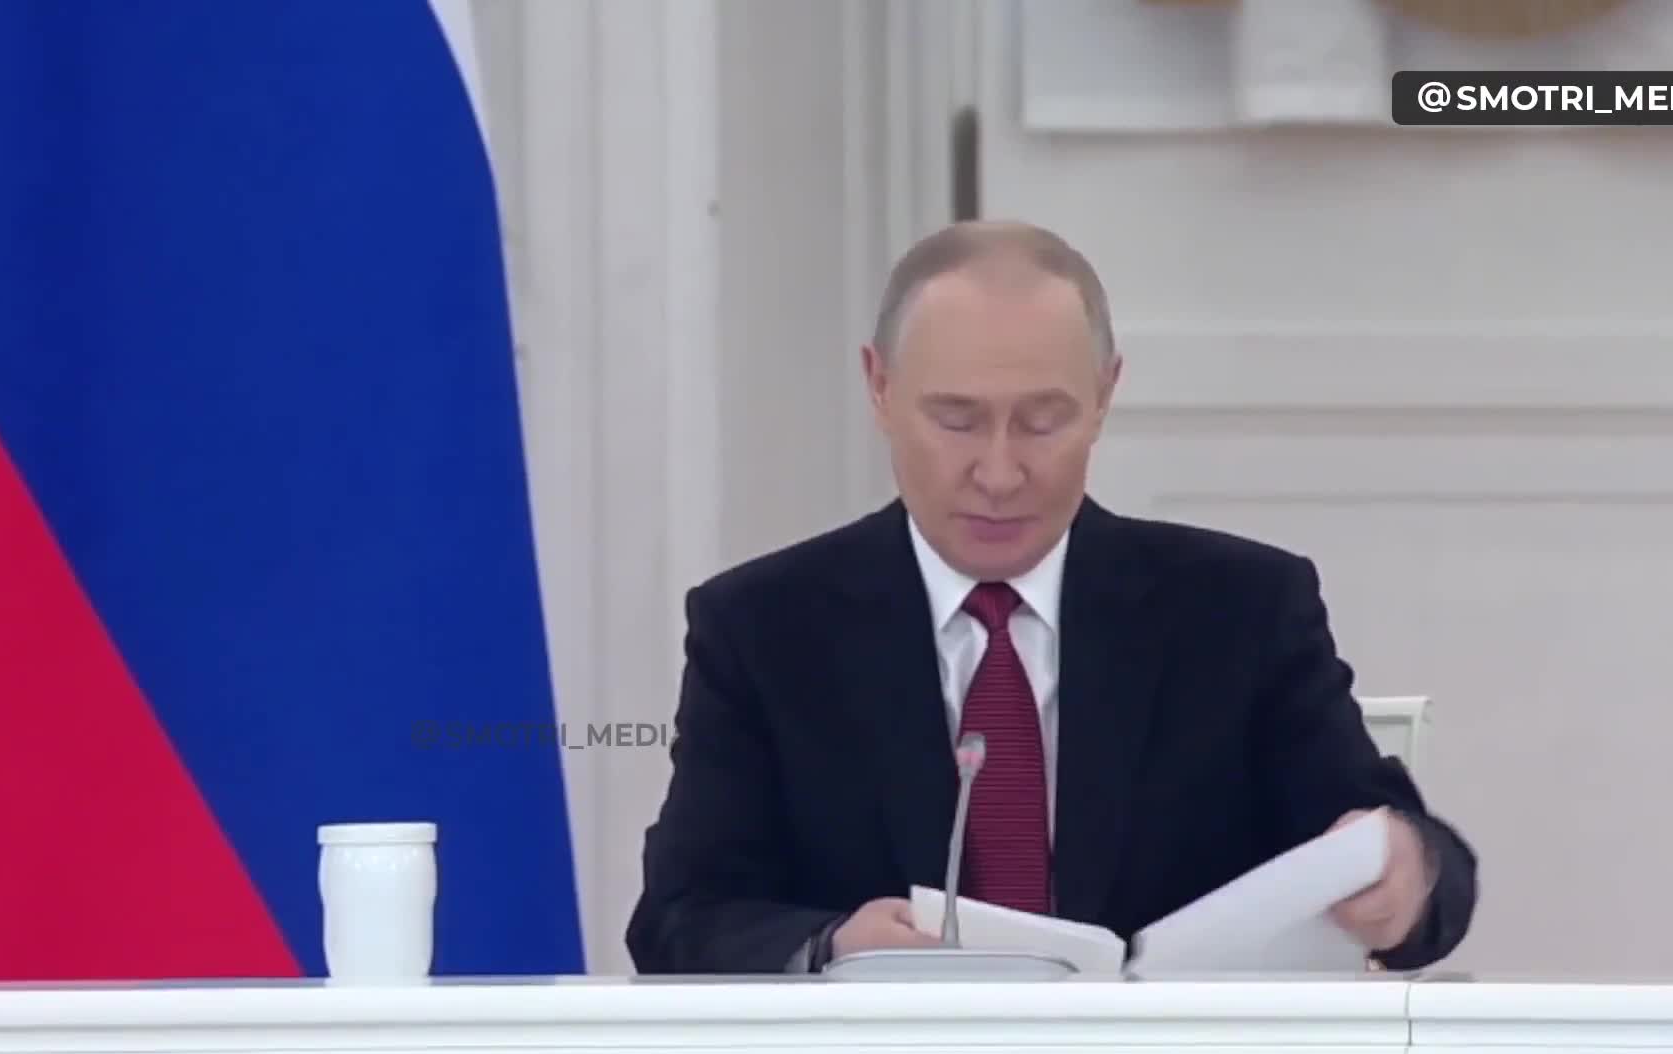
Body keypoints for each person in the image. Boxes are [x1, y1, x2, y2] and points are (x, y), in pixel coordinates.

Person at [625, 221, 1477, 975]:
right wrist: (832, 947)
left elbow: (1405, 856)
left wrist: (1411, 871)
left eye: (1042, 422)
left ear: (1104, 394)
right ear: (879, 387)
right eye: (957, 420)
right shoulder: (765, 629)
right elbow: (678, 920)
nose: (1000, 474)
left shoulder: (1242, 610)